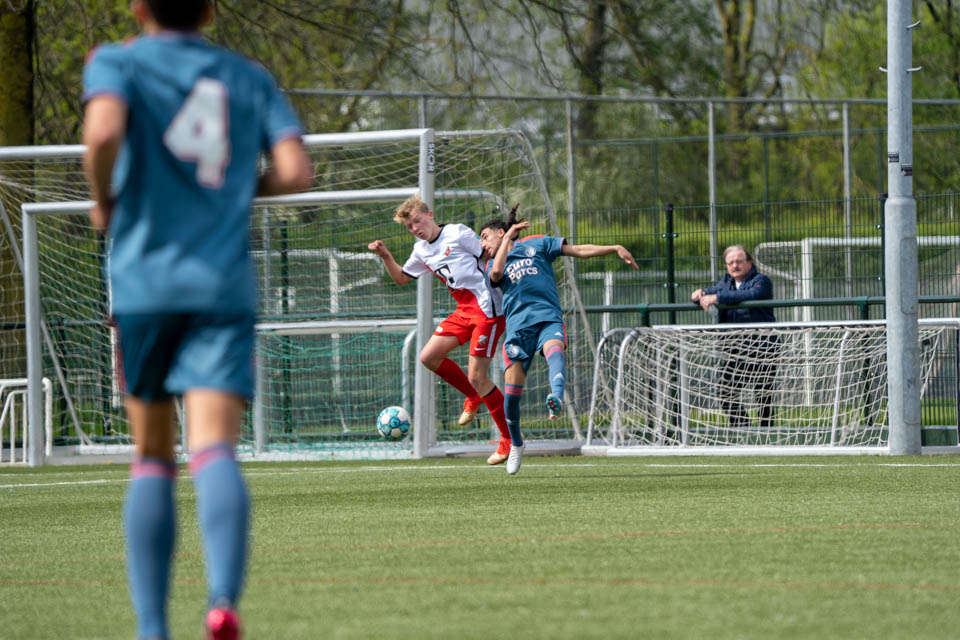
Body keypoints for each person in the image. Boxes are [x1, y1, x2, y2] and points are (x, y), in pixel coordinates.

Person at [82, 1, 312, 638]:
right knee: (213, 448)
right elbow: (296, 171)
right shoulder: (248, 76)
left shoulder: (116, 62)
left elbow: (102, 134)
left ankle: (153, 628)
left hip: (144, 286)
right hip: (221, 288)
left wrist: (103, 200)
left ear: (138, 5)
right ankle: (222, 603)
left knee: (153, 454)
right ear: (209, 10)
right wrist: (235, 187)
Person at [481, 211, 638, 475]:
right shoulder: (492, 264)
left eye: (485, 237)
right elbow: (496, 273)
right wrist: (507, 239)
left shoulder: (537, 243)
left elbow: (578, 250)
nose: (483, 244)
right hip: (518, 331)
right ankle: (516, 443)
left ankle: (555, 396)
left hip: (547, 318)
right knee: (511, 398)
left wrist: (614, 247)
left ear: (500, 232)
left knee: (555, 352)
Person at [367, 195, 513, 465]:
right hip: (463, 310)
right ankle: (472, 396)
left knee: (478, 376)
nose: (415, 229)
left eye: (417, 221)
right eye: (409, 226)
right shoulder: (420, 250)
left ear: (430, 215)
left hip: (486, 308)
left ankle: (508, 438)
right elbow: (401, 278)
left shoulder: (457, 233)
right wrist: (386, 256)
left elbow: (489, 254)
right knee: (428, 357)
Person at [690, 245, 779, 430]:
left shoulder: (761, 280)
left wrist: (717, 297)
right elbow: (711, 292)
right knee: (726, 392)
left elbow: (753, 294)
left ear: (749, 262)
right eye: (730, 263)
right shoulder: (726, 282)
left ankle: (767, 433)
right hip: (734, 349)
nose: (735, 266)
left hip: (762, 347)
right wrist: (700, 293)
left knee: (763, 395)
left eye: (739, 261)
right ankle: (744, 429)